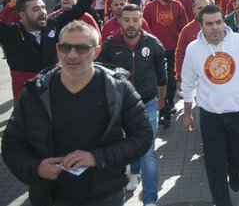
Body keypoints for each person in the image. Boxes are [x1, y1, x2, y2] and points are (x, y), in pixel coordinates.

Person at [2, 21, 152, 206]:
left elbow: (142, 136)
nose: (72, 55)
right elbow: (11, 144)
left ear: (96, 52)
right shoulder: (36, 92)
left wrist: (97, 157)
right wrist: (36, 168)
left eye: (81, 48)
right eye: (65, 48)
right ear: (57, 49)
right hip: (50, 197)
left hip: (104, 196)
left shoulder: (118, 89)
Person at [181, 4, 239, 206]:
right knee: (215, 165)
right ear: (201, 26)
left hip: (238, 114)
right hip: (209, 116)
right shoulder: (193, 49)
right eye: (209, 24)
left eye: (218, 22)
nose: (215, 27)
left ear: (224, 22)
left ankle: (234, 170)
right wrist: (187, 113)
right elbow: (187, 82)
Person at [0, 0, 103, 102]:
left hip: (54, 94)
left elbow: (80, 7)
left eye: (43, 8)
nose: (42, 12)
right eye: (35, 9)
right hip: (26, 100)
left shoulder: (53, 23)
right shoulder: (10, 33)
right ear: (22, 15)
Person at [97, 4, 167, 203]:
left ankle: (150, 199)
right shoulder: (110, 45)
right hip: (120, 106)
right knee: (128, 142)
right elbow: (101, 74)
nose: (131, 24)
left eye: (135, 20)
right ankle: (134, 172)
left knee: (148, 151)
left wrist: (161, 99)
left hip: (148, 103)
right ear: (119, 20)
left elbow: (162, 75)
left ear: (141, 20)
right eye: (126, 20)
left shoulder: (152, 43)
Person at [143, 0, 188, 126]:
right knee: (160, 79)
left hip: (173, 49)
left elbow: (183, 27)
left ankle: (169, 104)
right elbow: (145, 28)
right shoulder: (150, 7)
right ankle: (164, 110)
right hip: (156, 50)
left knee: (171, 79)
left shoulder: (177, 6)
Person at [175, 0, 215, 88]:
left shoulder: (219, 26)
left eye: (205, 7)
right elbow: (180, 54)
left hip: (216, 75)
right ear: (193, 10)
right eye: (199, 8)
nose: (203, 10)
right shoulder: (187, 30)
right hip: (196, 79)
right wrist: (180, 78)